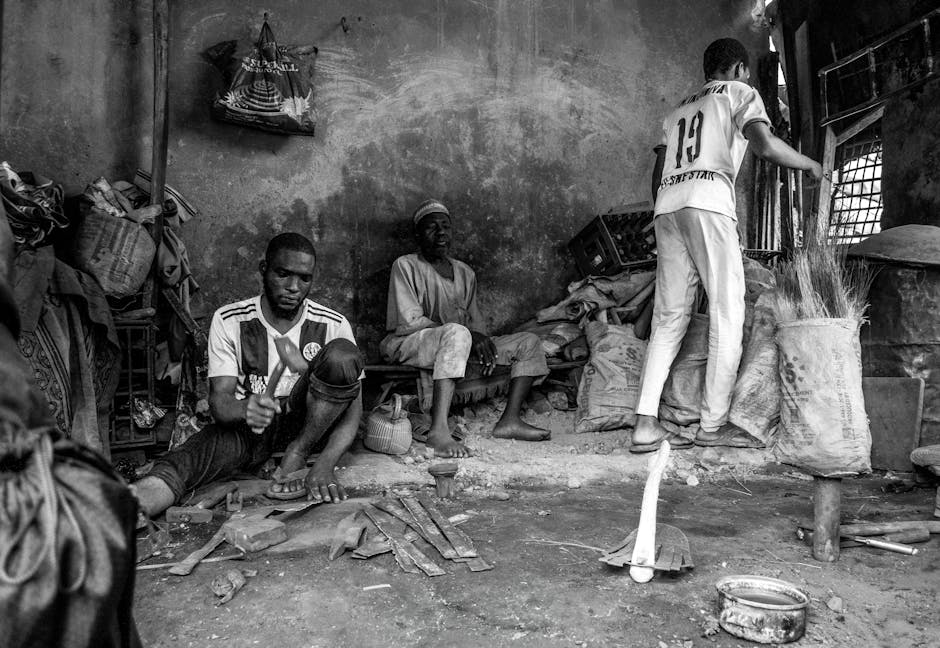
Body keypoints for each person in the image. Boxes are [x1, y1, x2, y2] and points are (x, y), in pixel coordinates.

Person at [631, 38, 823, 453]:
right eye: (746, 70)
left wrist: (664, 209)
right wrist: (809, 163)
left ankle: (644, 424)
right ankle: (712, 426)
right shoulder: (740, 93)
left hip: (668, 207)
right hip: (710, 204)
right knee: (727, 313)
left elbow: (659, 168)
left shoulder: (678, 109)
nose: (747, 77)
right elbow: (765, 145)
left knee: (669, 319)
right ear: (737, 68)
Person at [134, 233, 364, 515]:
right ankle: (134, 504)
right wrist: (247, 408)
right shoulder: (230, 320)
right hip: (249, 431)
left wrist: (324, 464)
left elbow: (354, 410)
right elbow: (221, 404)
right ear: (263, 269)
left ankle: (297, 452)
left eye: (304, 278)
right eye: (283, 274)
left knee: (342, 354)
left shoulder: (332, 323)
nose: (294, 287)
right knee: (193, 456)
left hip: (310, 428)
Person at [380, 199, 551, 458]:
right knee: (458, 333)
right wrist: (468, 335)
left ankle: (510, 421)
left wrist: (478, 338)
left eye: (446, 227)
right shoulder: (405, 265)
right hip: (410, 341)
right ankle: (438, 431)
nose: (440, 233)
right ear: (417, 234)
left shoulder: (465, 273)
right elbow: (408, 321)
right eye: (431, 227)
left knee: (527, 341)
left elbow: (476, 326)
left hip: (458, 342)